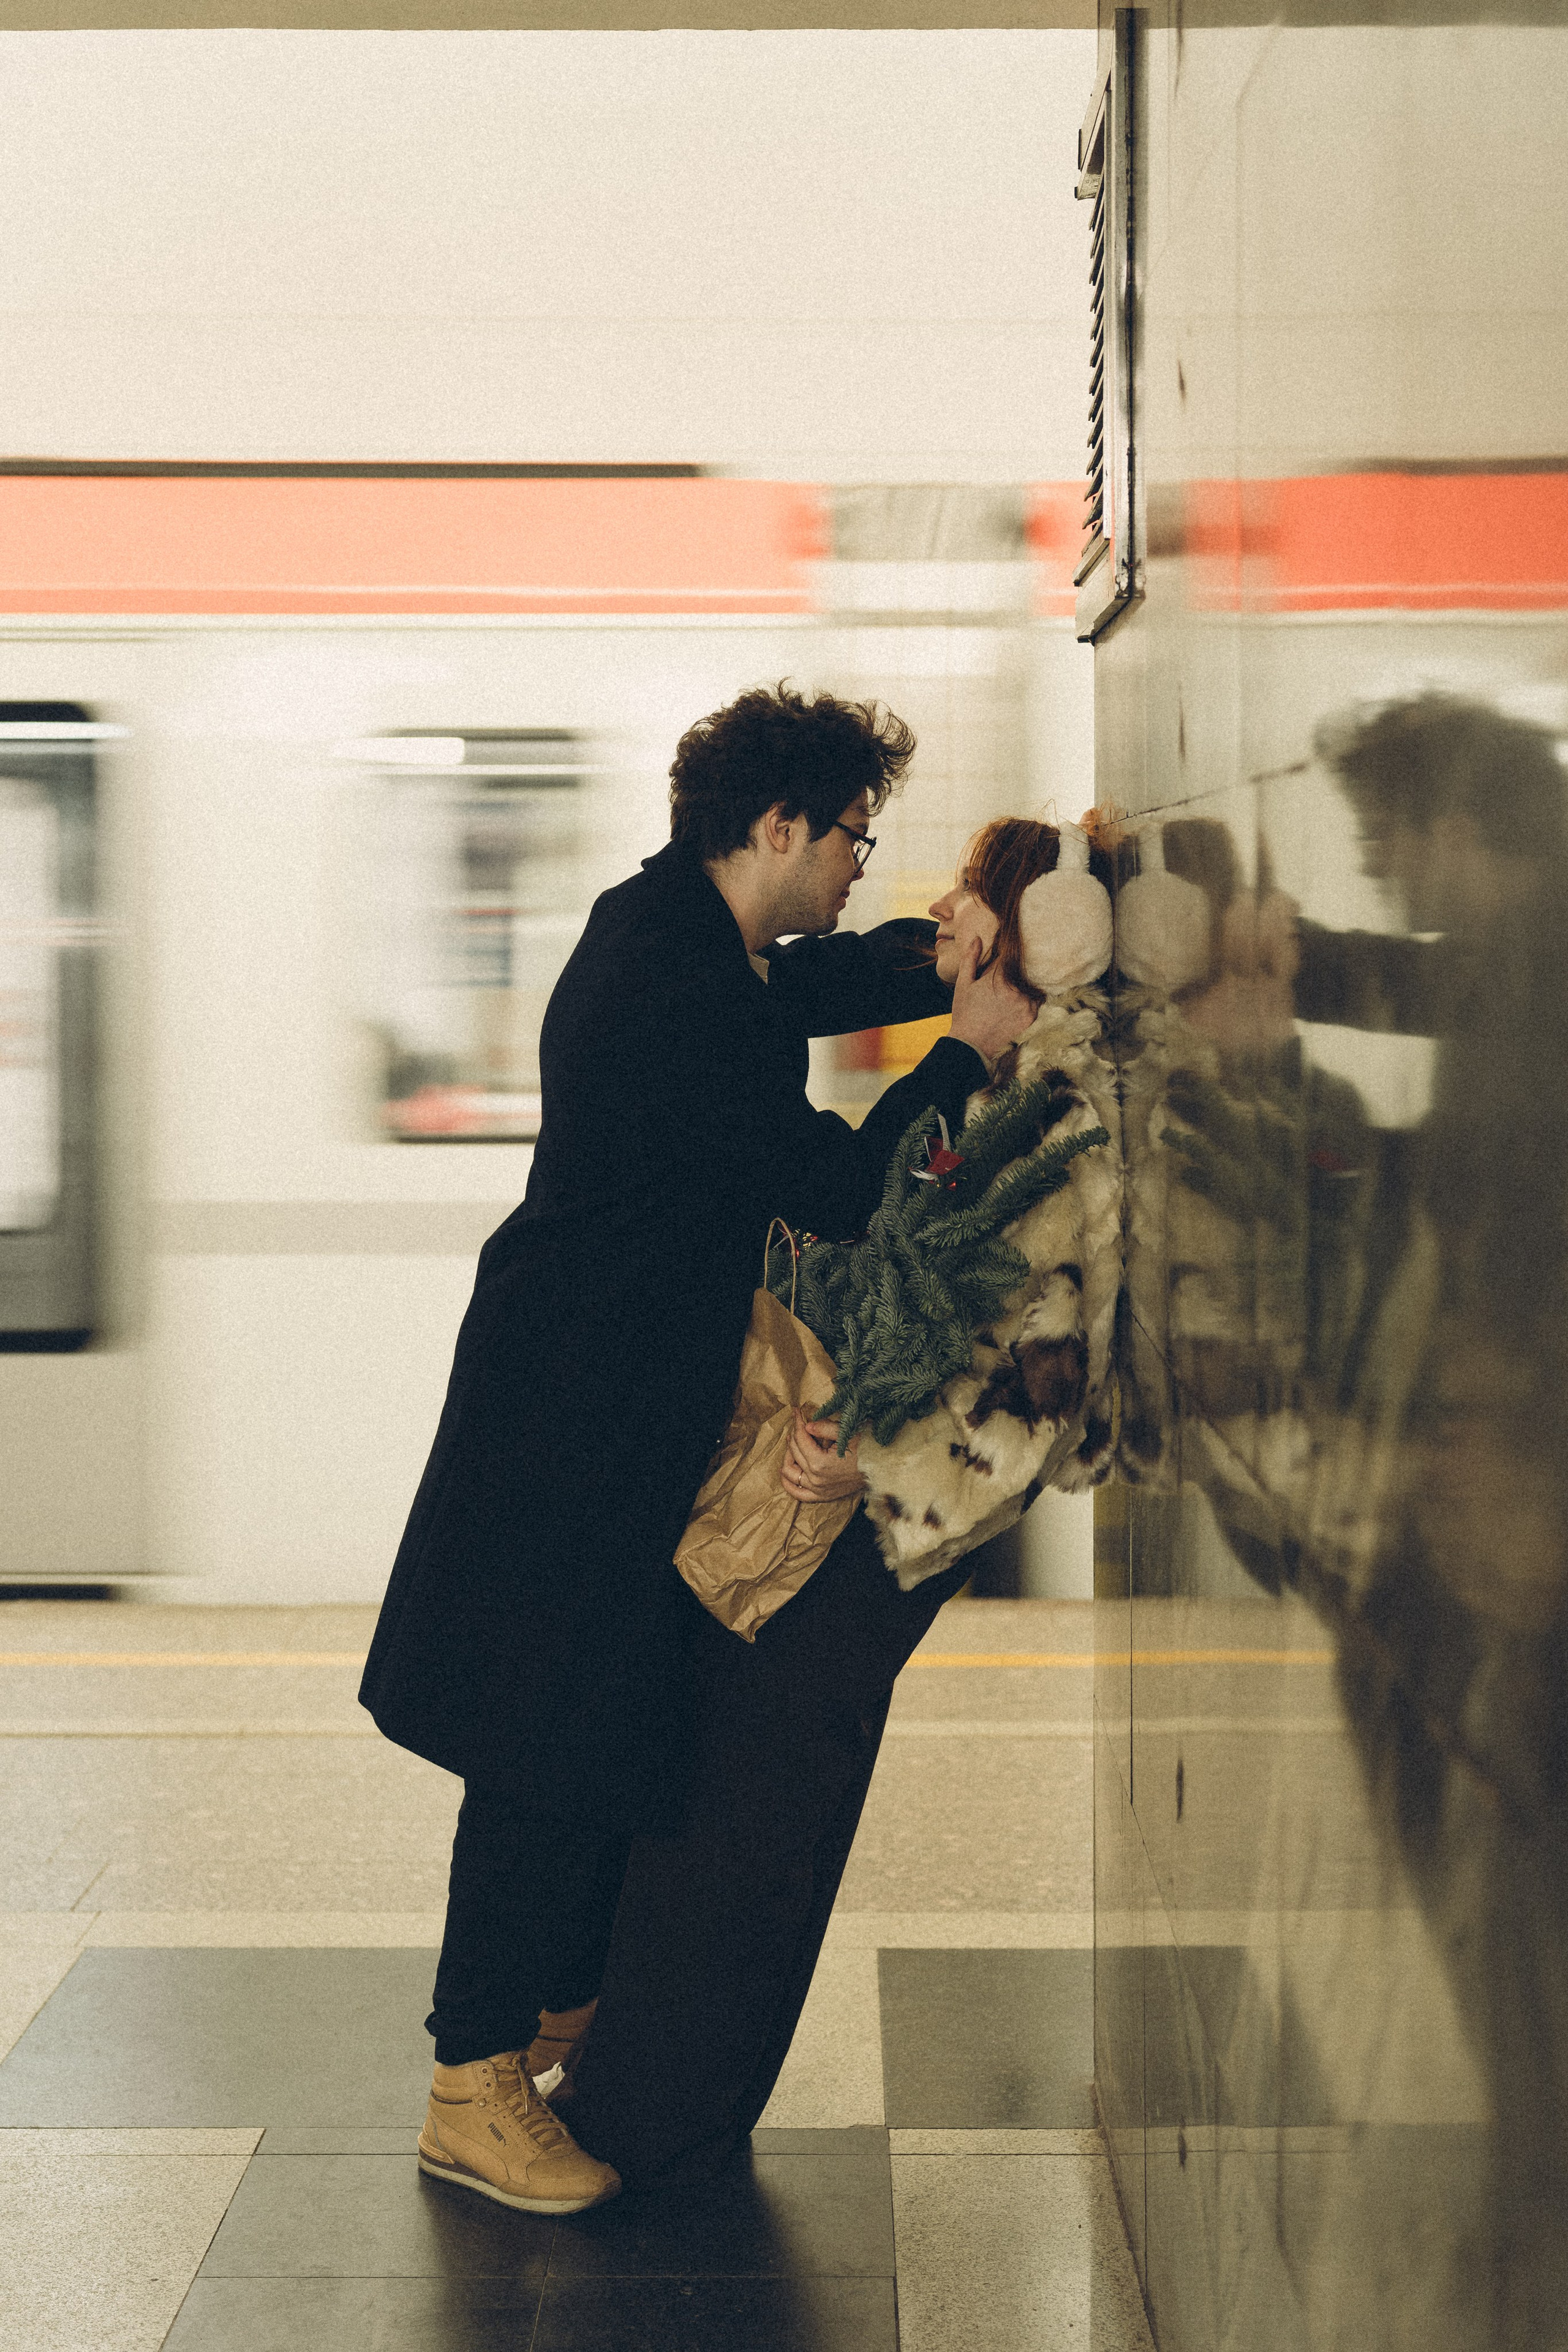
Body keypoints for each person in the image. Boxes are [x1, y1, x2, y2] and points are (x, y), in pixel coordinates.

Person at [358, 684, 1034, 2215]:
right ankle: (470, 2082)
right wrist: (964, 1045)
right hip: (578, 1420)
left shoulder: (666, 923)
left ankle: (547, 2007)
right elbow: (846, 1187)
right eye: (855, 838)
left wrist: (927, 961)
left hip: (597, 1396)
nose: (862, 865)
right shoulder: (686, 998)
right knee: (539, 1742)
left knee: (591, 1715)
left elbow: (795, 985)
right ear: (779, 825)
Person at [560, 813, 1115, 2193]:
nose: (930, 933)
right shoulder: (1016, 1075)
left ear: (1009, 941)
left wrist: (864, 1438)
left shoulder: (1042, 1096)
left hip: (887, 1515)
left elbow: (1020, 1320)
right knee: (757, 1799)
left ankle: (648, 2113)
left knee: (746, 1813)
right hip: (879, 1500)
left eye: (955, 920)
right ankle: (661, 2090)